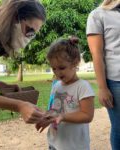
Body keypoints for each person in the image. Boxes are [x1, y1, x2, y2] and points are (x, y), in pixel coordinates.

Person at [0, 0, 46, 123]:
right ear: (14, 17)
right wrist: (19, 105)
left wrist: (4, 86)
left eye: (33, 35)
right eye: (29, 31)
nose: (29, 38)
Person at [36, 37, 95, 150]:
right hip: (55, 143)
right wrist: (46, 118)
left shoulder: (83, 87)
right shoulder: (56, 86)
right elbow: (54, 110)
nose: (57, 73)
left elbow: (87, 115)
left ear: (75, 63)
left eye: (62, 67)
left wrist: (63, 116)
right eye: (54, 69)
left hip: (75, 146)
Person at [86, 1, 120, 149]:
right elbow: (96, 53)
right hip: (116, 81)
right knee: (119, 128)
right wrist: (102, 88)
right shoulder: (98, 14)